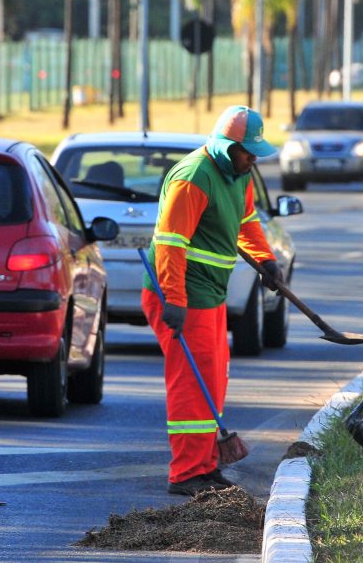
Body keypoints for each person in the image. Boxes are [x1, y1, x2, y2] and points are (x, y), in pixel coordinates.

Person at [141, 105, 283, 497]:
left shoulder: (239, 174)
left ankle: (205, 464)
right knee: (191, 383)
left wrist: (265, 259)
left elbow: (247, 221)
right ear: (225, 146)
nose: (253, 158)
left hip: (211, 294)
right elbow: (170, 243)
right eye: (247, 151)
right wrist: (173, 299)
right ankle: (186, 472)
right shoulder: (193, 178)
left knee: (212, 379)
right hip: (182, 295)